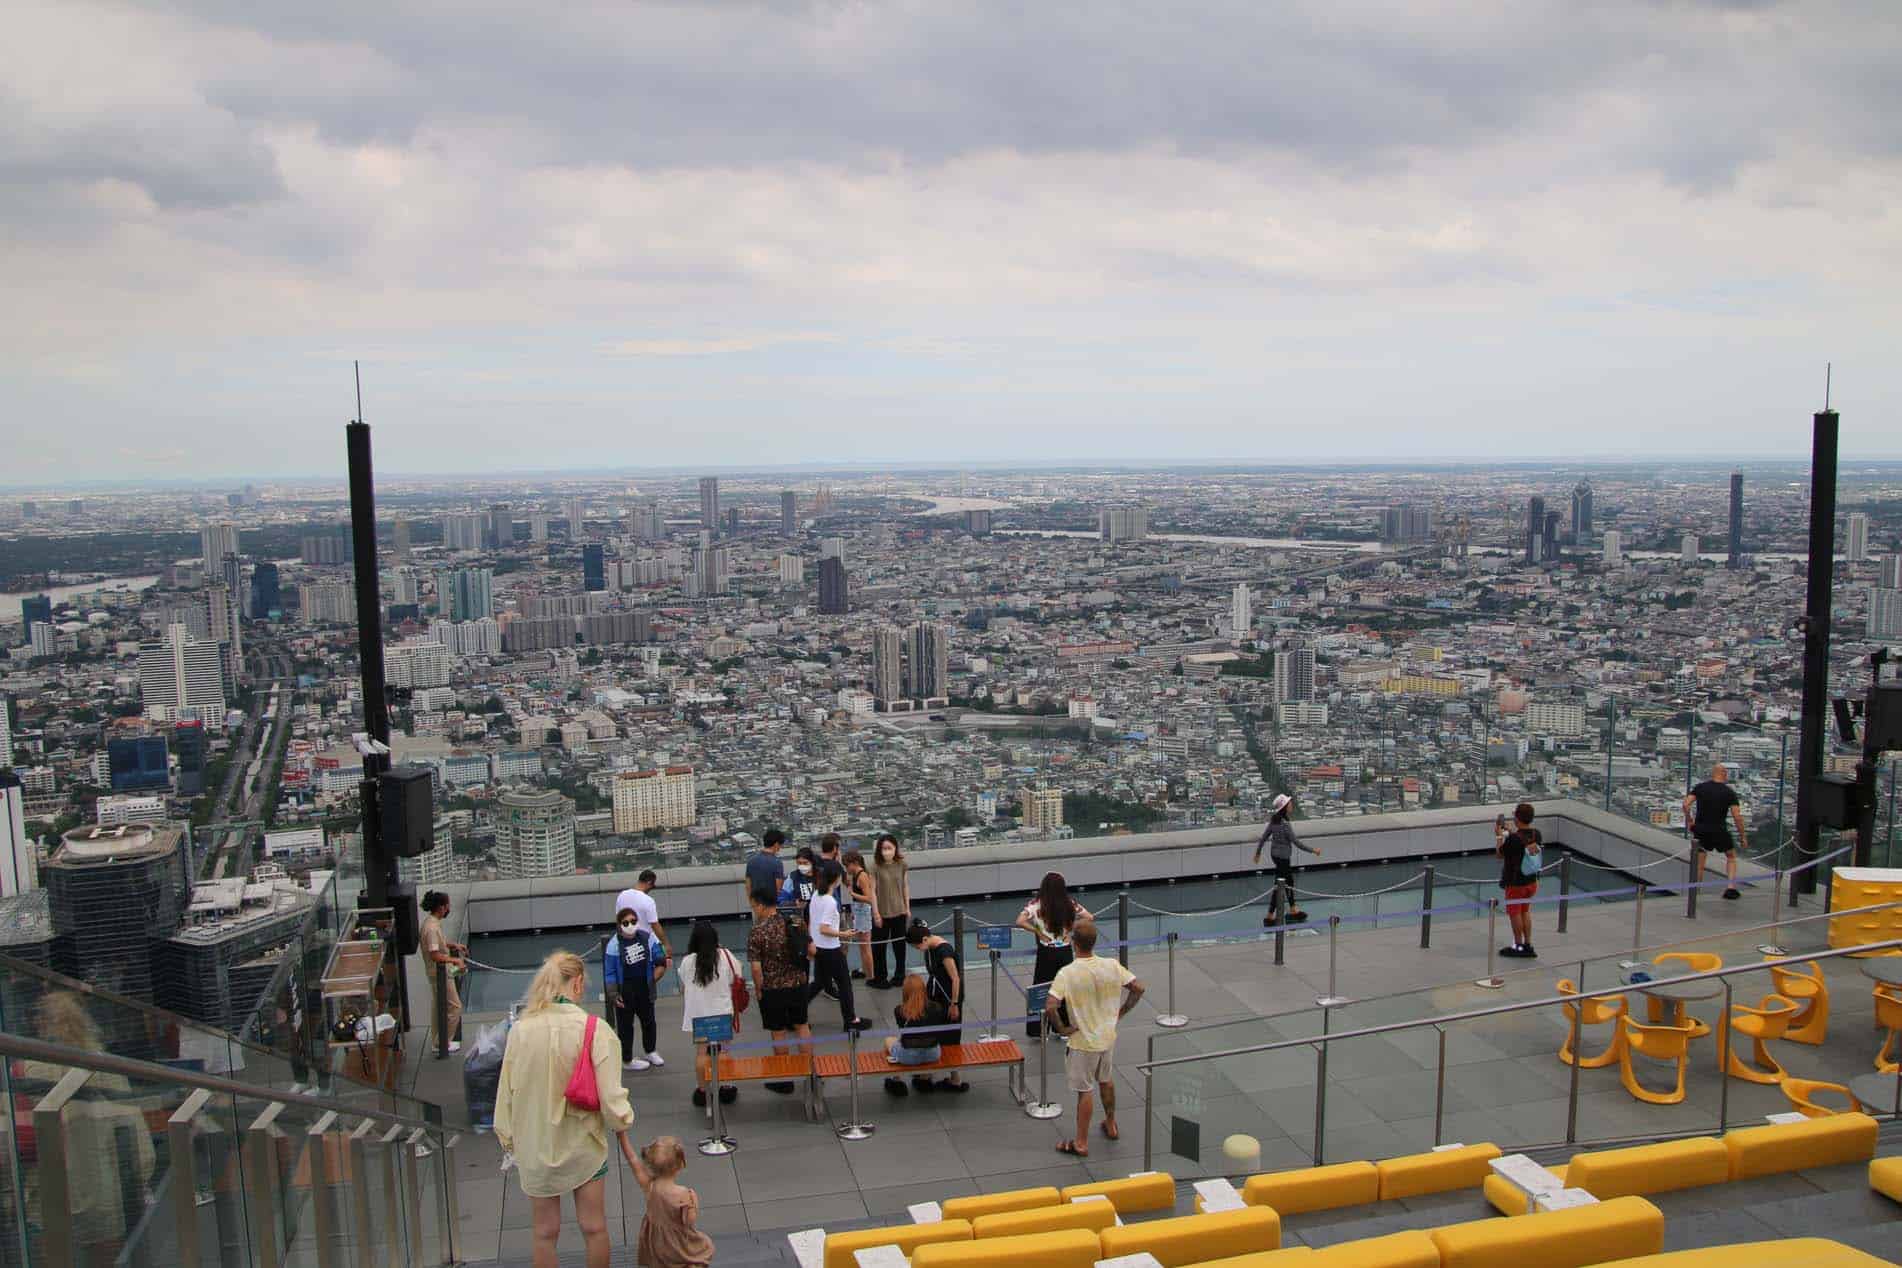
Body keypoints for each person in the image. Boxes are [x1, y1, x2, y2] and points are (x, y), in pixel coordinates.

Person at [494, 951, 635, 1268]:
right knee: (594, 1227)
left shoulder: (520, 1030)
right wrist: (623, 1123)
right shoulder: (595, 1030)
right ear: (579, 982)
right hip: (583, 1143)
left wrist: (509, 1139)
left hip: (535, 1145)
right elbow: (612, 1100)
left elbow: (506, 1094)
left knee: (544, 1232)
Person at [1045, 920, 1143, 1157]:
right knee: (1106, 1079)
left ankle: (1080, 1142)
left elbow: (1050, 1005)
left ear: (1073, 943)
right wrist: (1120, 1012)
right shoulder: (1111, 965)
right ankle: (1110, 1123)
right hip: (1107, 1037)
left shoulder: (1067, 973)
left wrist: (1063, 1029)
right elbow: (1138, 988)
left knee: (1085, 1089)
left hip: (1083, 1042)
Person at [746, 885, 812, 1095]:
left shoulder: (757, 931)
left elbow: (756, 968)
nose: (754, 909)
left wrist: (758, 990)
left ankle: (785, 1078)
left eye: (754, 905)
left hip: (773, 988)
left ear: (761, 905)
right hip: (798, 984)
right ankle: (809, 1072)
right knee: (802, 1026)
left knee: (778, 1031)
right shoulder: (795, 921)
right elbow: (811, 950)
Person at [677, 921, 741, 1108]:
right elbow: (736, 975)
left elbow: (683, 982)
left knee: (702, 1052)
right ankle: (727, 1087)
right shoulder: (725, 955)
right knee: (724, 1051)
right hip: (722, 1012)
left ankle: (703, 1090)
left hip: (700, 1015)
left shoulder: (688, 961)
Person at [1017, 871, 1085, 1038]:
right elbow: (1089, 917)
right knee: (1064, 989)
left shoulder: (1036, 904)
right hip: (1065, 951)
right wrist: (1070, 932)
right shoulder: (1070, 903)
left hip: (1046, 951)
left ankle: (1037, 1029)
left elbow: (1019, 921)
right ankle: (1063, 1028)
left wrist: (1038, 932)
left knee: (1041, 988)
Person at [630, 1135, 715, 1268]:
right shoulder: (684, 1194)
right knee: (704, 1246)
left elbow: (633, 1160)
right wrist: (694, 1202)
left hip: (657, 1245)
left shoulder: (649, 1186)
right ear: (680, 1164)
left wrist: (622, 1136)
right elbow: (689, 1221)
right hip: (677, 1247)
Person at [906, 918, 969, 1092]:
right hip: (938, 994)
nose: (917, 949)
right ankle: (930, 1073)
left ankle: (954, 1078)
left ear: (925, 940)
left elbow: (955, 978)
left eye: (917, 946)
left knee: (950, 1037)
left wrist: (954, 1004)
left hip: (949, 998)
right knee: (936, 1032)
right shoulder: (931, 947)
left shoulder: (944, 951)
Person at [807, 859, 869, 1032]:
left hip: (819, 948)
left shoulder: (815, 896)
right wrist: (844, 934)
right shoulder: (829, 901)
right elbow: (824, 928)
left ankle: (795, 1014)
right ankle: (851, 1020)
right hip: (830, 949)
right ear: (836, 878)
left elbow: (814, 924)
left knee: (819, 982)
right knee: (844, 984)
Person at [604, 905, 668, 1070]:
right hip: (625, 989)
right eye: (626, 923)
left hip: (644, 987)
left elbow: (659, 955)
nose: (630, 925)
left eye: (633, 921)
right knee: (625, 1026)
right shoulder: (613, 944)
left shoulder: (647, 937)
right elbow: (610, 972)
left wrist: (658, 968)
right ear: (619, 925)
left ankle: (650, 1051)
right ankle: (627, 1059)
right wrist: (613, 993)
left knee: (649, 1021)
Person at [1253, 794, 1321, 925]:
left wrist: (1258, 853)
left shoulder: (1274, 821)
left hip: (1276, 856)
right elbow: (1296, 842)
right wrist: (1313, 850)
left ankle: (1290, 909)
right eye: (1289, 803)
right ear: (1284, 807)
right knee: (1281, 885)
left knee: (1284, 882)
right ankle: (1273, 915)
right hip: (1283, 857)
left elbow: (1263, 838)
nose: (1291, 805)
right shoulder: (1285, 824)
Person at [1684, 763, 1748, 900]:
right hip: (1719, 829)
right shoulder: (1729, 792)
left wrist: (1690, 821)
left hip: (1701, 829)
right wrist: (1743, 836)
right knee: (1731, 857)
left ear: (1712, 773)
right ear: (1724, 774)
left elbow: (1686, 804)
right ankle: (1730, 888)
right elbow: (1737, 816)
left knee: (1699, 863)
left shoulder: (1700, 788)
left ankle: (1695, 893)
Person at [882, 974, 954, 1096]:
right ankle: (924, 1079)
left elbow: (903, 1032)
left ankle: (896, 1080)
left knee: (888, 1040)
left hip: (908, 1056)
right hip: (933, 1054)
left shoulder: (900, 1010)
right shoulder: (937, 1007)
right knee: (926, 1042)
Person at [419, 890, 467, 1054]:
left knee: (438, 1007)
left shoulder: (431, 922)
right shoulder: (432, 927)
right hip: (439, 974)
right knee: (455, 1007)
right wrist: (455, 960)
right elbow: (434, 954)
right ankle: (442, 1043)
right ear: (441, 907)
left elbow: (439, 944)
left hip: (436, 973)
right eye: (447, 905)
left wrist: (453, 945)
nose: (449, 908)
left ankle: (437, 1040)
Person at [1495, 802, 1543, 958]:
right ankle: (1528, 944)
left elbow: (1500, 854)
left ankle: (1518, 946)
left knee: (1515, 913)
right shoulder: (1537, 834)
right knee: (1525, 911)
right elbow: (1524, 843)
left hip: (1516, 883)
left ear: (1517, 817)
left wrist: (1499, 836)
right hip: (1531, 881)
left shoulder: (1514, 839)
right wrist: (1511, 833)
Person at [869, 833, 911, 988]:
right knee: (879, 947)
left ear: (895, 848)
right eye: (883, 848)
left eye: (889, 848)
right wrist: (876, 913)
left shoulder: (902, 864)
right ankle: (881, 978)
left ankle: (900, 976)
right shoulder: (874, 866)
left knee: (899, 946)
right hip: (881, 912)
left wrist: (907, 907)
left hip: (899, 911)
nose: (886, 851)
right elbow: (872, 890)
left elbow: (905, 886)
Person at [613, 870, 672, 968]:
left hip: (627, 941)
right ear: (649, 882)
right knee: (661, 965)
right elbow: (655, 925)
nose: (651, 889)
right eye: (652, 886)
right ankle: (647, 983)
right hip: (646, 942)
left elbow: (618, 921)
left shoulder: (622, 895)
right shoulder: (648, 900)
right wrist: (666, 945)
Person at [844, 847, 879, 982]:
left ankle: (871, 975)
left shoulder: (862, 876)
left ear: (854, 863)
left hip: (863, 912)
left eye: (847, 865)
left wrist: (853, 894)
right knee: (862, 946)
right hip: (858, 911)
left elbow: (869, 898)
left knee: (865, 947)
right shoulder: (856, 876)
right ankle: (866, 971)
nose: (846, 868)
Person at [745, 828, 787, 907]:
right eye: (780, 845)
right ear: (776, 844)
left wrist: (753, 904)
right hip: (771, 906)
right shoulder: (777, 862)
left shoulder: (751, 861)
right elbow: (778, 888)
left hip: (757, 905)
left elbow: (748, 885)